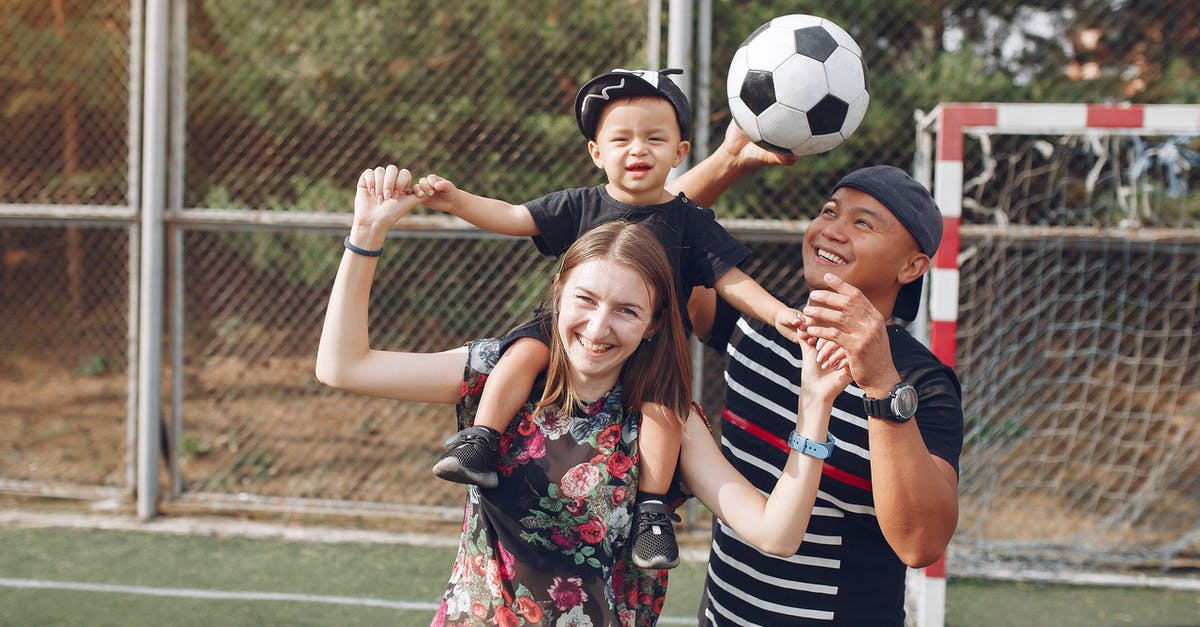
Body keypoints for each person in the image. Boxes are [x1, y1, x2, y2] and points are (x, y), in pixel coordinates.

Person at [315, 164, 849, 626]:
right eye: (586, 300)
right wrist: (367, 232)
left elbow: (776, 534)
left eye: (627, 310)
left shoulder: (667, 419)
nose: (598, 327)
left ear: (656, 323)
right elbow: (343, 367)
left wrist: (815, 408)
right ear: (558, 296)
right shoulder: (504, 373)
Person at [410, 68, 802, 569]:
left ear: (680, 152)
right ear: (597, 153)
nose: (637, 150)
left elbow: (730, 279)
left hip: (653, 346)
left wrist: (780, 313)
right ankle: (481, 440)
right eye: (621, 139)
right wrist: (455, 201)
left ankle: (652, 512)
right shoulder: (579, 204)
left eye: (654, 138)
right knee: (523, 352)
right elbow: (511, 216)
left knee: (665, 411)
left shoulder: (691, 219)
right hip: (566, 337)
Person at [671, 124, 965, 625]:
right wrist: (729, 159)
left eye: (863, 223)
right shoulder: (762, 325)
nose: (831, 228)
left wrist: (879, 385)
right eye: (829, 211)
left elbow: (921, 544)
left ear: (912, 266)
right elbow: (649, 237)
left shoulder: (920, 383)